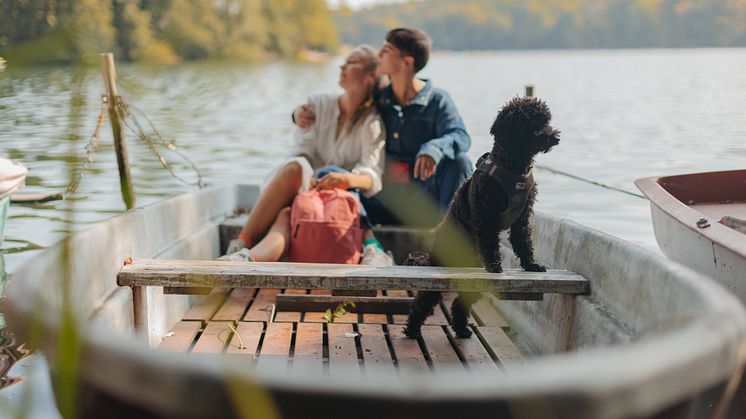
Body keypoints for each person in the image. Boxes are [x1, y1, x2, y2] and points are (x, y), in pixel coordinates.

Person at [222, 45, 391, 264]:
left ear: (370, 76)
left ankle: (247, 258)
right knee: (296, 169)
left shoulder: (372, 122)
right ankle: (240, 247)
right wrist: (313, 183)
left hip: (341, 199)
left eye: (351, 62)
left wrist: (345, 179)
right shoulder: (317, 105)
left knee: (287, 216)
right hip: (303, 189)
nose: (342, 66)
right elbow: (301, 151)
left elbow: (372, 175)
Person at [294, 28, 473, 227]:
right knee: (330, 173)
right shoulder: (378, 99)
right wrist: (298, 114)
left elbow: (460, 135)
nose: (378, 55)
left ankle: (449, 235)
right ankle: (366, 236)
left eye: (386, 50)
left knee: (460, 162)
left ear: (407, 62)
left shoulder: (437, 100)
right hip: (381, 201)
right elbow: (341, 104)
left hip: (425, 200)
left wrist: (434, 148)